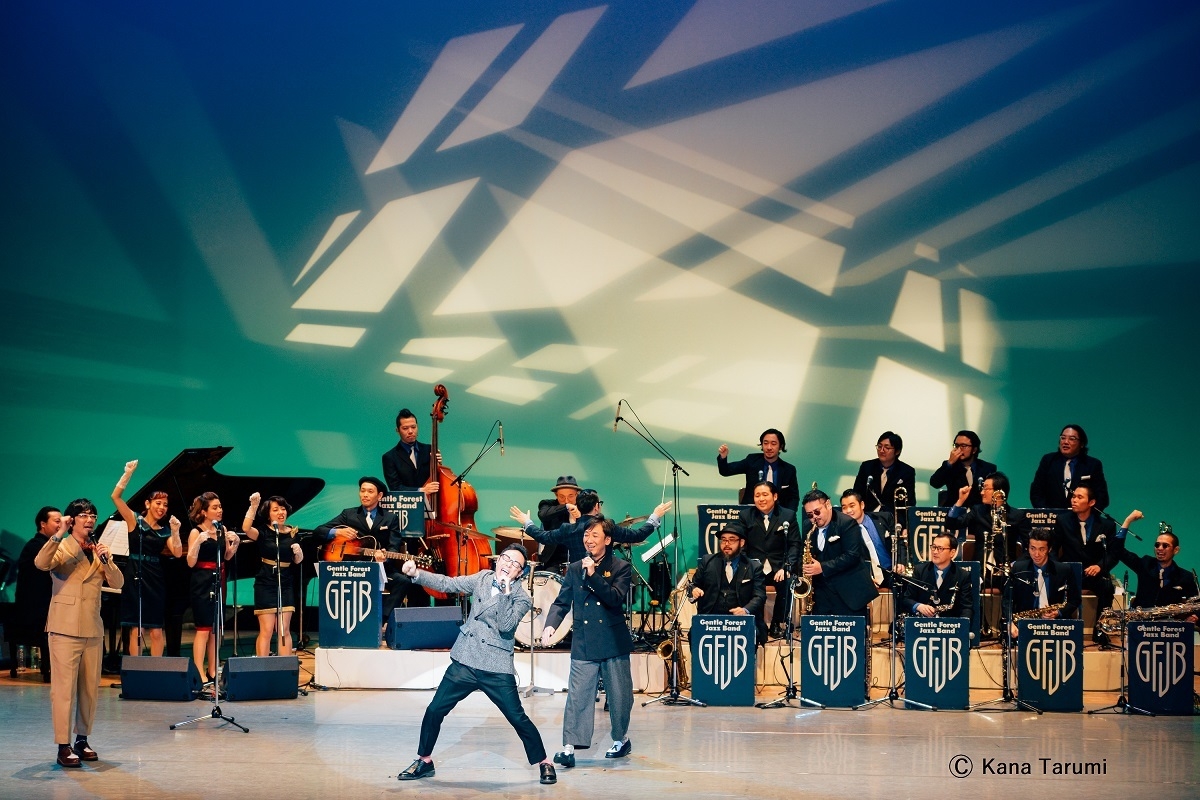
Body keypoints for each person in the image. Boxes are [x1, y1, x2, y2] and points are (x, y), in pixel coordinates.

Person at [396, 544, 556, 785]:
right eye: (506, 558)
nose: (508, 565)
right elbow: (448, 584)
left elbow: (505, 626)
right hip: (466, 660)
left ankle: (544, 761)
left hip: (496, 666)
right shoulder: (482, 578)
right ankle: (424, 760)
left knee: (517, 717)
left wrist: (505, 592)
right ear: (498, 560)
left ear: (520, 573)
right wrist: (417, 574)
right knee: (435, 710)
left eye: (515, 564)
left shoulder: (522, 598)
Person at [34, 499, 124, 768]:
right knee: (63, 691)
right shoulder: (61, 546)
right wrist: (59, 533)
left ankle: (82, 740)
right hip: (64, 627)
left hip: (92, 628)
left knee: (89, 690)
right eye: (83, 515)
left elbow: (118, 583)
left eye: (92, 515)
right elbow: (41, 563)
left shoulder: (98, 549)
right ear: (71, 520)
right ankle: (63, 745)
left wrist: (108, 561)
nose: (90, 519)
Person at [542, 518, 634, 768]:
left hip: (613, 641)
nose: (589, 540)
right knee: (578, 696)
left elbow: (614, 599)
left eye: (595, 535)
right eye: (586, 535)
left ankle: (621, 739)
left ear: (607, 540)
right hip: (584, 641)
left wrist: (593, 575)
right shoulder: (575, 568)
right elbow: (562, 601)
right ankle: (569, 747)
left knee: (619, 697)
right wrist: (551, 624)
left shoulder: (621, 567)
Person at [315, 476, 425, 631]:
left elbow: (393, 547)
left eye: (370, 491)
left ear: (379, 496)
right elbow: (318, 531)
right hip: (351, 569)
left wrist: (385, 558)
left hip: (379, 568)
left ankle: (380, 621)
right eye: (362, 491)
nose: (365, 494)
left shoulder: (390, 518)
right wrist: (337, 532)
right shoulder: (348, 514)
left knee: (403, 581)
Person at [111, 460, 183, 657]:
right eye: (158, 503)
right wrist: (127, 474)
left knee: (156, 630)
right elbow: (115, 497)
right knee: (137, 629)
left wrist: (175, 531)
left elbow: (177, 553)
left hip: (155, 579)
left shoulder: (165, 530)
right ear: (148, 504)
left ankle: (155, 670)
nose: (162, 507)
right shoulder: (134, 520)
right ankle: (137, 669)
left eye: (165, 505)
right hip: (134, 574)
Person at [509, 489, 672, 566]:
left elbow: (543, 536)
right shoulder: (607, 526)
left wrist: (527, 522)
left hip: (579, 581)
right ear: (597, 506)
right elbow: (638, 535)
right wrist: (655, 516)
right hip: (604, 580)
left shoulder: (568, 529)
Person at [185, 492, 240, 684]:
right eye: (215, 507)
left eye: (220, 506)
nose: (219, 510)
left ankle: (213, 669)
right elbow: (190, 562)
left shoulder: (221, 529)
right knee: (203, 628)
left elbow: (226, 556)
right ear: (204, 511)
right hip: (202, 581)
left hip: (219, 579)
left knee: (215, 629)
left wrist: (234, 544)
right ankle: (198, 671)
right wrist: (198, 542)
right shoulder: (195, 532)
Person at [797, 489, 877, 620]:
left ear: (828, 505)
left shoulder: (847, 523)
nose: (814, 517)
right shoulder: (808, 526)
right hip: (821, 595)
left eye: (817, 512)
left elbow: (852, 555)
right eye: (810, 515)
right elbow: (803, 552)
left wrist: (822, 567)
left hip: (848, 594)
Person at [1054, 484, 1118, 645]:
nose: (1074, 500)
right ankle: (1063, 628)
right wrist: (1059, 569)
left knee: (1107, 586)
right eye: (1073, 496)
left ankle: (1100, 629)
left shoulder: (1107, 526)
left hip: (1093, 573)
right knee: (1057, 585)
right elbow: (1053, 549)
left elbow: (1113, 554)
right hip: (1070, 571)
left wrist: (1100, 566)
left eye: (1079, 497)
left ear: (1091, 502)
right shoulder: (1063, 521)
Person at [733, 481, 798, 638]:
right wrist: (747, 566)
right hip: (755, 566)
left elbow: (795, 545)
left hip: (779, 567)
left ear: (775, 496)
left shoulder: (788, 515)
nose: (761, 499)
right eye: (757, 495)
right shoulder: (745, 516)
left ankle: (777, 623)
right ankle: (757, 623)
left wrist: (786, 567)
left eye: (765, 494)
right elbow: (741, 545)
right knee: (748, 583)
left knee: (788, 582)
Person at [242, 493, 304, 656]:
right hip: (266, 582)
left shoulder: (293, 532)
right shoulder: (263, 532)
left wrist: (299, 553)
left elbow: (297, 561)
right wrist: (253, 507)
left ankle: (285, 666)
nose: (280, 512)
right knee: (267, 629)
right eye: (275, 510)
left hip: (285, 582)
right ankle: (262, 666)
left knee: (284, 630)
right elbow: (246, 529)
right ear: (268, 514)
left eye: (282, 509)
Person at [1114, 514, 1198, 620]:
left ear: (1176, 550)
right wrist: (1127, 521)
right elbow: (1117, 550)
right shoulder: (1145, 564)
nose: (1160, 548)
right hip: (1141, 623)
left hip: (1171, 626)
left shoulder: (1186, 577)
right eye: (1157, 545)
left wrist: (1195, 616)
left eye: (1165, 545)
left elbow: (1197, 603)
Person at [10, 507, 61, 682]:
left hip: (43, 602)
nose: (60, 525)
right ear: (43, 524)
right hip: (35, 608)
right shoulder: (36, 546)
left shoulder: (49, 545)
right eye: (57, 521)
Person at [690, 528, 767, 641]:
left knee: (752, 633)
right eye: (724, 540)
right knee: (694, 633)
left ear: (741, 543)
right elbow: (693, 585)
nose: (727, 544)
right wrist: (694, 590)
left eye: (732, 540)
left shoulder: (754, 567)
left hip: (741, 620)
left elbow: (760, 596)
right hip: (711, 620)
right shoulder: (707, 562)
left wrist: (745, 610)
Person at [944, 472, 1030, 571]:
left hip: (1006, 570)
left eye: (986, 488)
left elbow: (1031, 545)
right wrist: (960, 501)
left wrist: (1016, 564)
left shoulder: (1018, 516)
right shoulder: (978, 511)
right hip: (980, 570)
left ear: (999, 493)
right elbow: (951, 524)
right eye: (983, 488)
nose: (982, 492)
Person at [1005, 530, 1081, 639]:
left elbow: (1075, 600)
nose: (1036, 554)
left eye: (1042, 549)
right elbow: (1007, 600)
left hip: (1056, 626)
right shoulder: (1018, 568)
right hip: (1024, 624)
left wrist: (1058, 612)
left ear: (1049, 549)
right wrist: (1009, 622)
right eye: (1032, 548)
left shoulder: (1064, 570)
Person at [1028, 424, 1109, 511]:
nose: (1065, 442)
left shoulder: (1092, 465)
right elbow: (1036, 492)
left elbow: (1102, 497)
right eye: (1063, 438)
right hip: (1052, 516)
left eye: (1072, 439)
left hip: (1081, 517)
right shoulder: (1048, 461)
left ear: (1082, 444)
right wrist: (1046, 514)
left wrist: (1087, 516)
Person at [839, 489, 907, 590]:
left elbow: (899, 542)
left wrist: (900, 562)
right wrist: (864, 578)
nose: (848, 511)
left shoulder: (885, 518)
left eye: (852, 506)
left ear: (862, 505)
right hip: (867, 579)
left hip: (893, 572)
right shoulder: (843, 532)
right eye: (844, 507)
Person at [716, 428, 799, 510]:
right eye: (765, 443)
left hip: (778, 514)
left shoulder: (789, 469)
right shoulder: (752, 461)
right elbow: (725, 471)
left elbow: (793, 497)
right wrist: (723, 457)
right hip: (751, 512)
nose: (769, 447)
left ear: (781, 446)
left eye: (773, 444)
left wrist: (788, 514)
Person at [900, 534, 975, 620]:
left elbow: (966, 607)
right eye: (933, 547)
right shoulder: (919, 571)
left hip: (949, 625)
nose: (935, 552)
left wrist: (963, 625)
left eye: (940, 548)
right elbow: (906, 599)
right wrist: (918, 606)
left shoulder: (962, 575)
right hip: (923, 624)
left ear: (952, 552)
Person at [382, 407, 440, 502]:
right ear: (397, 430)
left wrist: (439, 465)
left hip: (433, 502)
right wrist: (421, 491)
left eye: (413, 427)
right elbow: (395, 488)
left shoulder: (429, 450)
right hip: (407, 505)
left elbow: (437, 480)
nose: (410, 431)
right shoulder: (389, 457)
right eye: (405, 428)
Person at [852, 431, 916, 514]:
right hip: (867, 515)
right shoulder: (867, 467)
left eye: (887, 447)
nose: (882, 450)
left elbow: (910, 502)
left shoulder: (906, 471)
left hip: (892, 517)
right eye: (879, 446)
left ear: (897, 451)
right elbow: (856, 494)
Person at [929, 430, 997, 508]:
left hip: (979, 512)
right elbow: (935, 483)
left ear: (974, 450)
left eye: (963, 446)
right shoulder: (950, 467)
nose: (959, 449)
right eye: (956, 445)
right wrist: (950, 463)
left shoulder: (988, 468)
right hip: (955, 511)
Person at [535, 476, 580, 572]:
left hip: (578, 558)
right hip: (554, 559)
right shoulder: (548, 505)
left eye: (571, 496)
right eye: (562, 497)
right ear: (556, 495)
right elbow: (543, 515)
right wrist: (566, 507)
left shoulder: (583, 507)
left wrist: (580, 517)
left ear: (577, 494)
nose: (566, 500)